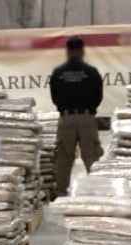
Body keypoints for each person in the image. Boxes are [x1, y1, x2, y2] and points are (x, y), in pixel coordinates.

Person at [50, 36, 104, 197]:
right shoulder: (91, 72)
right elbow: (98, 96)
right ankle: (98, 191)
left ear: (67, 51)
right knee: (91, 155)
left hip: (66, 118)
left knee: (63, 156)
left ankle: (60, 192)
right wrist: (89, 109)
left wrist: (65, 109)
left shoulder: (58, 72)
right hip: (87, 118)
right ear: (82, 51)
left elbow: (55, 97)